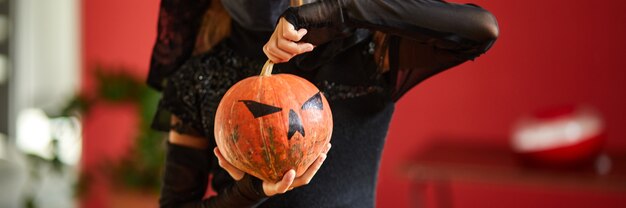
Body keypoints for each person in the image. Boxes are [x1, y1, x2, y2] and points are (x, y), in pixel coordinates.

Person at [147, 0, 499, 207]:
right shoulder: (199, 76)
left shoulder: (368, 52)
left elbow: (481, 30)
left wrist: (342, 11)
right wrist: (246, 192)